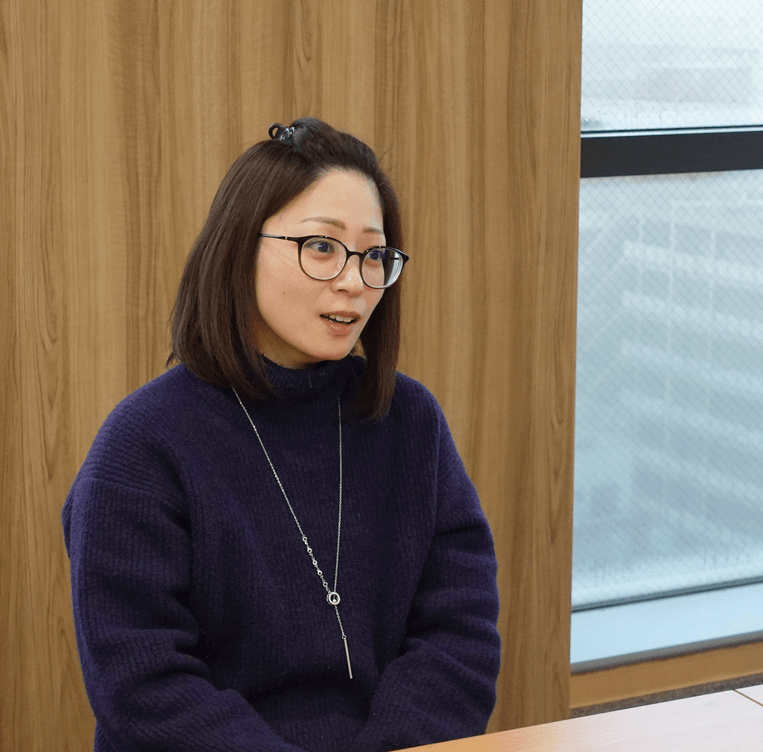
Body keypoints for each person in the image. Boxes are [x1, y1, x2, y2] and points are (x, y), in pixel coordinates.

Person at [62, 117, 501, 752]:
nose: (353, 280)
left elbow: (459, 633)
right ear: (240, 248)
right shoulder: (143, 445)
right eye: (321, 246)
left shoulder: (410, 420)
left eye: (373, 255)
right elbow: (143, 685)